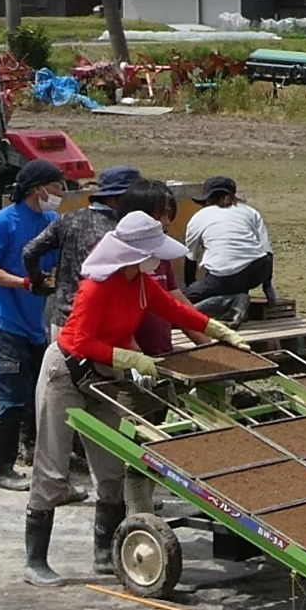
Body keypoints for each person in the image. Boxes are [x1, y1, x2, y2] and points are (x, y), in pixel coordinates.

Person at [22, 211, 250, 587]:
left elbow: (174, 309)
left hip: (104, 378)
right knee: (52, 467)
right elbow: (76, 341)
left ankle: (103, 555)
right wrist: (129, 357)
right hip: (65, 374)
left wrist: (215, 329)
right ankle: (35, 561)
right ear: (132, 252)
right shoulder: (98, 285)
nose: (158, 259)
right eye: (153, 252)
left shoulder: (141, 283)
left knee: (111, 469)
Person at [0, 159, 63, 490]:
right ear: (37, 188)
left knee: (39, 396)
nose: (59, 192)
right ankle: (1, 469)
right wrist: (24, 283)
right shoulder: (4, 222)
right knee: (11, 399)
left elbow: (56, 262)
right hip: (4, 323)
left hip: (34, 324)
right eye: (55, 186)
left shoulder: (51, 220)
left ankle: (35, 455)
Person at [24, 163, 136, 331]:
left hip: (62, 322)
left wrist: (38, 280)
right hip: (96, 326)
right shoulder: (119, 231)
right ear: (113, 199)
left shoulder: (66, 220)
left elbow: (29, 252)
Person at [180, 174, 276, 324]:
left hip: (224, 277)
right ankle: (236, 304)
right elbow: (267, 252)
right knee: (233, 281)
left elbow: (190, 258)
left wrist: (190, 289)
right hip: (259, 269)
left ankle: (232, 301)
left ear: (208, 199)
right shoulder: (250, 212)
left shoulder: (199, 217)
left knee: (180, 305)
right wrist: (268, 287)